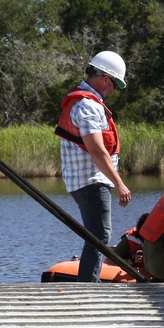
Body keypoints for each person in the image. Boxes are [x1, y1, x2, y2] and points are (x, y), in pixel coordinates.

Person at [55, 50, 132, 282]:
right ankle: (88, 287)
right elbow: (97, 150)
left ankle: (89, 284)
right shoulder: (89, 105)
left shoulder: (83, 102)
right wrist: (119, 183)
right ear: (107, 79)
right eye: (115, 85)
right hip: (91, 181)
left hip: (84, 182)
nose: (113, 91)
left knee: (97, 234)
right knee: (99, 235)